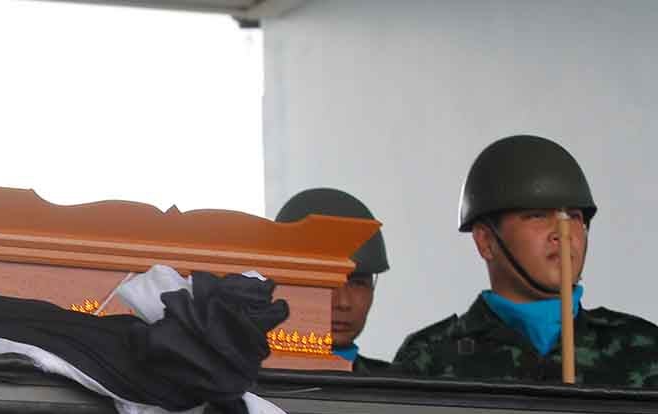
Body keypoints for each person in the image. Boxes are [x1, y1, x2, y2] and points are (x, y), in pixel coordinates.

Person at [393, 135, 658, 386]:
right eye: (538, 216)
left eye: (575, 217)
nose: (562, 234)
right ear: (486, 241)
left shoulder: (644, 348)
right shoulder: (431, 358)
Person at [274, 188, 391, 372]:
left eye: (358, 283)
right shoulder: (238, 384)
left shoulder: (394, 388)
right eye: (326, 283)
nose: (343, 302)